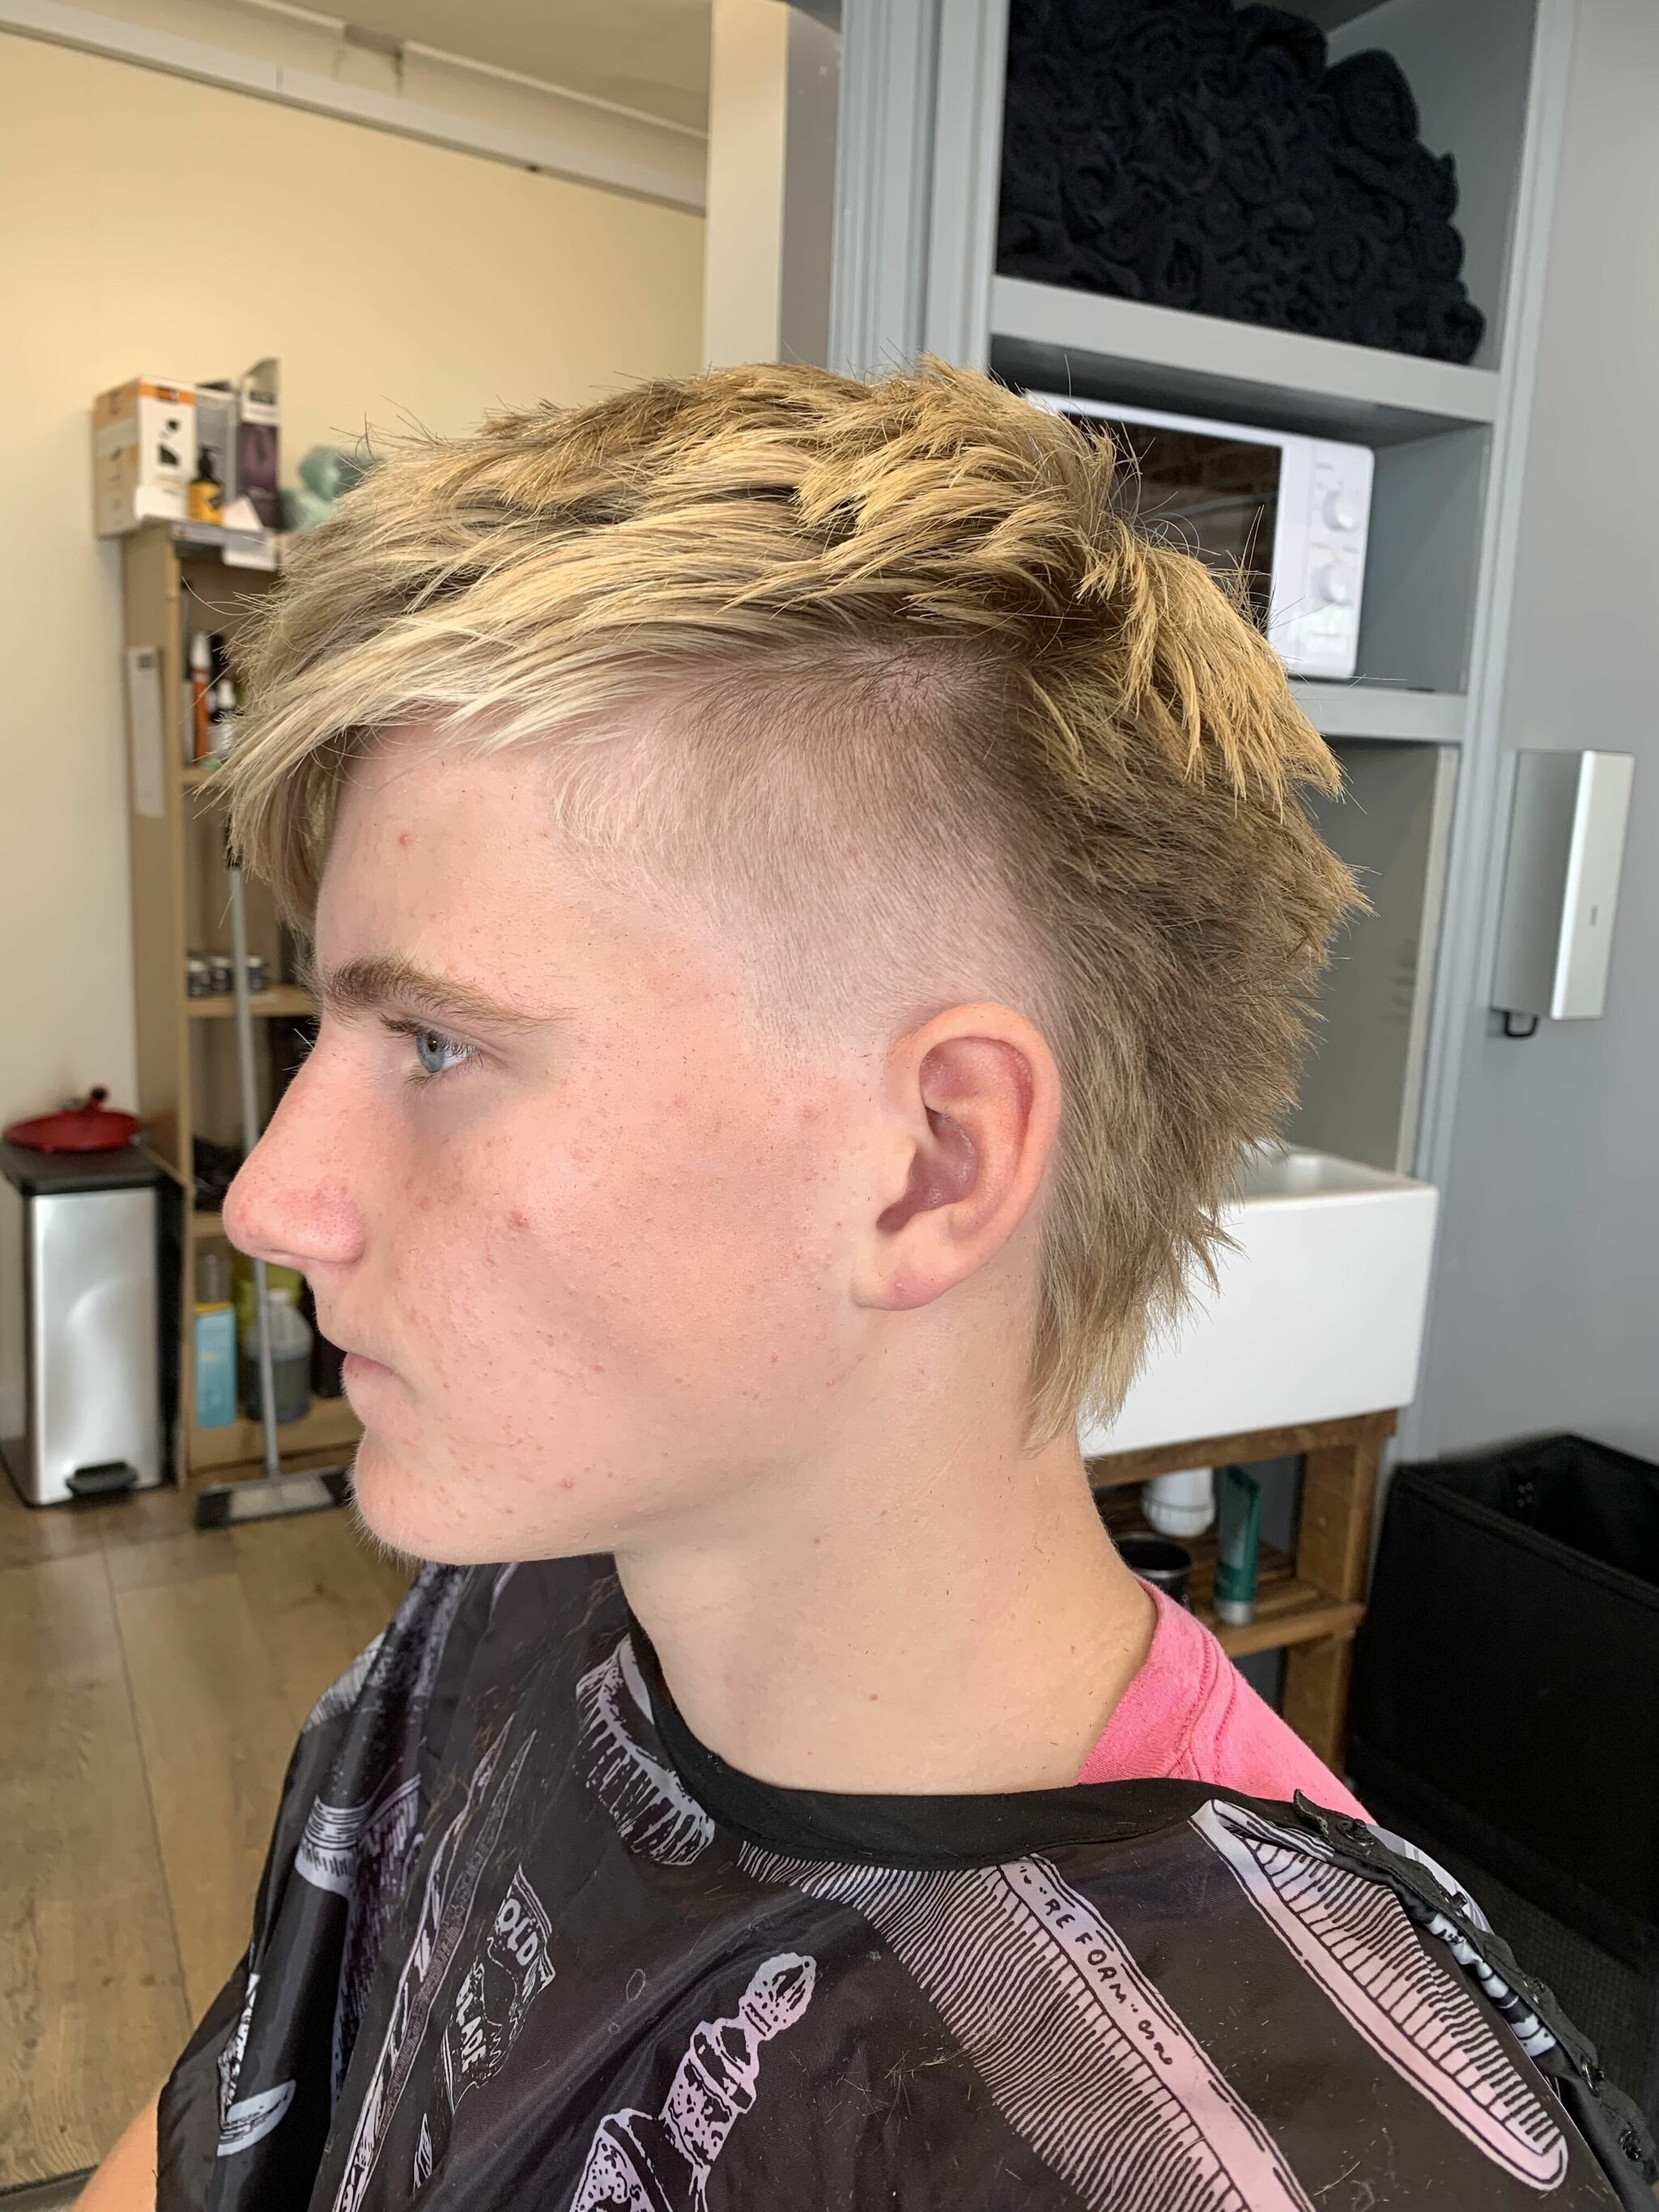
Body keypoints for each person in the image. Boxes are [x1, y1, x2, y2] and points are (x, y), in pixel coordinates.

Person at [83, 362, 1652, 2211]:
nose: (272, 1199)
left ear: (931, 1164)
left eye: (435, 1043)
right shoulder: (517, 1592)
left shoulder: (1252, 2152)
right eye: (329, 1030)